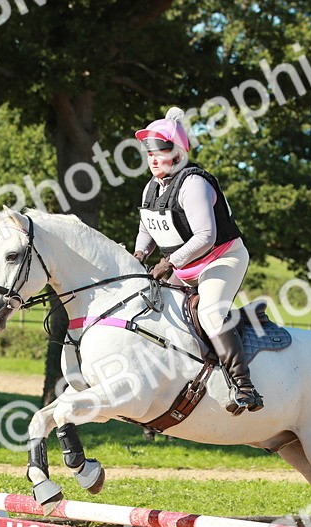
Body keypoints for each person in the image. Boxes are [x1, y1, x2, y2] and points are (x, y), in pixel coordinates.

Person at [131, 107, 263, 415]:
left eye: (160, 151)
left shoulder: (193, 184)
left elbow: (205, 236)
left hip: (222, 257)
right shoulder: (151, 187)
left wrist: (168, 263)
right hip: (185, 266)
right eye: (148, 151)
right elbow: (147, 229)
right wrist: (139, 255)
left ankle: (244, 386)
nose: (152, 158)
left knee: (211, 312)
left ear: (177, 153)